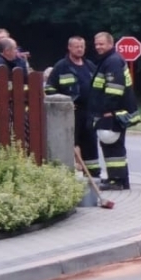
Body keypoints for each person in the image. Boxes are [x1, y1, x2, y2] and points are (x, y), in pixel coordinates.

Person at [89, 32, 139, 190]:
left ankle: (116, 180)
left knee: (112, 145)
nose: (98, 47)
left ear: (111, 44)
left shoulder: (112, 62)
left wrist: (108, 110)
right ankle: (121, 179)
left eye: (101, 44)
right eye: (96, 44)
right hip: (115, 111)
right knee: (115, 145)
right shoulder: (110, 60)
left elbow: (114, 89)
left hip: (112, 111)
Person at [46, 36, 100, 178]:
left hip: (88, 111)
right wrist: (66, 103)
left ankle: (93, 173)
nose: (80, 49)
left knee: (90, 141)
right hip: (71, 112)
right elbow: (50, 88)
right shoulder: (61, 66)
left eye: (82, 46)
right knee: (72, 141)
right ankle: (74, 172)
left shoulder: (89, 65)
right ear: (69, 48)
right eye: (76, 46)